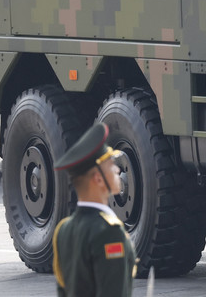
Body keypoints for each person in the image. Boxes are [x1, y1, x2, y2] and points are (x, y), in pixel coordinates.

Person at [52, 122, 137, 297]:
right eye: (111, 164)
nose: (117, 169)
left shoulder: (63, 230)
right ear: (98, 178)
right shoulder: (108, 232)